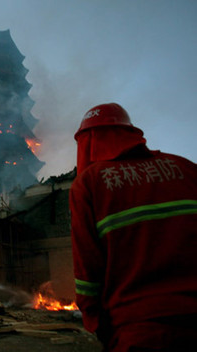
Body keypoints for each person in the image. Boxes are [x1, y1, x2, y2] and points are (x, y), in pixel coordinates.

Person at [69, 102, 197, 351]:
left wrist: (95, 321)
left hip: (139, 327)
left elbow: (86, 270)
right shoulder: (188, 169)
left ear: (89, 141)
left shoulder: (89, 184)